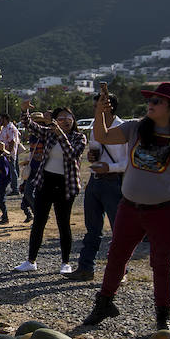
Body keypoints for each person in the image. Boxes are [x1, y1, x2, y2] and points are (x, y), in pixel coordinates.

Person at [81, 81, 170, 332]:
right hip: (130, 207)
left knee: (162, 263)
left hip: (167, 211)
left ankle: (163, 318)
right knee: (116, 257)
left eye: (156, 101)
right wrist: (99, 111)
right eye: (150, 100)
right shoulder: (136, 128)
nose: (149, 104)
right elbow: (103, 136)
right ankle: (104, 303)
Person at [14, 107, 86, 274]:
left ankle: (66, 263)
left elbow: (72, 155)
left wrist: (61, 135)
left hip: (66, 184)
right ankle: (31, 261)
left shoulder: (79, 137)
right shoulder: (49, 133)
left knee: (63, 223)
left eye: (69, 117)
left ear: (73, 120)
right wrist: (24, 109)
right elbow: (30, 126)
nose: (65, 120)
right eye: (61, 118)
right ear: (55, 121)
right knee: (39, 221)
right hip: (45, 181)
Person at [70, 92, 128, 281]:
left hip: (114, 181)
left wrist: (109, 167)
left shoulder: (124, 128)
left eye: (97, 107)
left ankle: (120, 271)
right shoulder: (96, 128)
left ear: (108, 107)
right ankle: (86, 268)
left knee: (118, 230)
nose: (94, 110)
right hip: (95, 180)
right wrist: (92, 158)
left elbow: (130, 161)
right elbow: (95, 151)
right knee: (92, 229)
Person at [0, 113, 22, 198]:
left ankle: (15, 189)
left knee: (12, 170)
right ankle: (5, 187)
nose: (0, 121)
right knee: (7, 171)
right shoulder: (5, 128)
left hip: (9, 153)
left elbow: (12, 141)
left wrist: (8, 153)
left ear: (5, 119)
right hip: (4, 153)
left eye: (1, 119)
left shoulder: (10, 128)